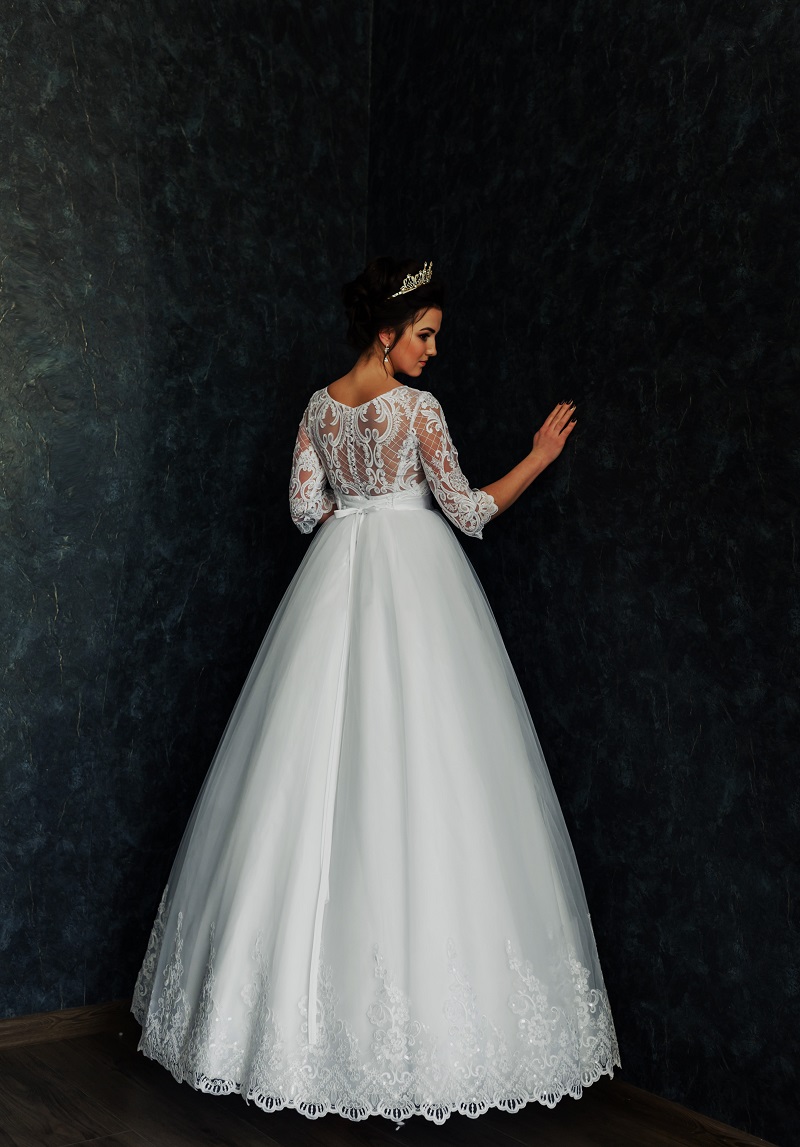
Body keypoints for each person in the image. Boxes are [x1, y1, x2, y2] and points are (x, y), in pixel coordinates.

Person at [132, 256, 620, 1126]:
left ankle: (266, 1030)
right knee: (428, 773)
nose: (433, 351)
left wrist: (356, 519)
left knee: (306, 780)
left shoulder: (319, 408)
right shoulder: (417, 410)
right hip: (415, 586)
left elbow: (303, 510)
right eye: (424, 335)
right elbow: (467, 512)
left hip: (333, 584)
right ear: (387, 332)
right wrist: (537, 458)